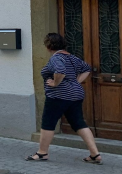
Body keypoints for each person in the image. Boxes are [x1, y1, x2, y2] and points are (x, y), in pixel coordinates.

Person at [26, 32, 102, 164]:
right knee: (79, 123)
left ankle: (42, 153)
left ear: (49, 46)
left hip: (58, 96)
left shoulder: (56, 58)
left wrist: (56, 83)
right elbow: (86, 68)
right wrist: (75, 82)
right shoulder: (72, 57)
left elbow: (60, 71)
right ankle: (95, 154)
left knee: (48, 123)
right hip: (76, 95)